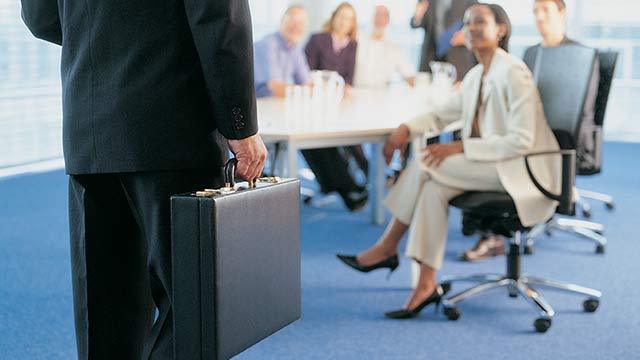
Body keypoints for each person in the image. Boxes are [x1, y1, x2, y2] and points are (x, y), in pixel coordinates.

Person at [20, 0, 267, 358]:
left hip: (89, 126)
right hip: (173, 123)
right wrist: (240, 125)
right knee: (194, 307)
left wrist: (103, 41)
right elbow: (219, 17)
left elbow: (40, 17)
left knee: (104, 312)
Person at [337, 3, 561, 319]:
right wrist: (405, 129)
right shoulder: (475, 76)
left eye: (479, 22)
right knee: (433, 189)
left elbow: (521, 141)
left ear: (501, 29)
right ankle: (426, 283)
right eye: (466, 23)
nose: (470, 28)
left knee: (429, 162)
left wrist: (461, 147)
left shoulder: (513, 72)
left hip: (523, 169)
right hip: (493, 166)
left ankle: (387, 246)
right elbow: (443, 114)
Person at [461, 0, 600, 262]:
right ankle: (489, 232)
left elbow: (583, 114)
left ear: (562, 13)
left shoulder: (580, 55)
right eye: (535, 11)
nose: (539, 17)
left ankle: (492, 232)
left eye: (545, 10)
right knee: (480, 140)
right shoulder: (531, 53)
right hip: (525, 136)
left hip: (560, 145)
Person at [301, 2, 369, 212]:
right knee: (325, 139)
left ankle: (362, 178)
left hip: (340, 102)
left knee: (351, 129)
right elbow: (306, 73)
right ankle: (352, 184)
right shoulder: (317, 39)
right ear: (334, 17)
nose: (343, 21)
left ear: (352, 23)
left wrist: (343, 88)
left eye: (349, 18)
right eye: (341, 16)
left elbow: (350, 77)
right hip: (314, 102)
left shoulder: (353, 44)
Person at [253, 5, 311, 98]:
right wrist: (304, 92)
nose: (296, 26)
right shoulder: (267, 44)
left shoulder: (295, 48)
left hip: (277, 105)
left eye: (301, 23)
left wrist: (307, 90)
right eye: (292, 20)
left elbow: (308, 83)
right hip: (259, 105)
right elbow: (275, 89)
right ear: (282, 21)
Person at [411, 0, 478, 81]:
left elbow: (477, 21)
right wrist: (418, 16)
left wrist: (467, 35)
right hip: (432, 55)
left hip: (458, 56)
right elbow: (415, 24)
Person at [355, 5, 417, 88]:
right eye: (377, 15)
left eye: (384, 16)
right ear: (371, 18)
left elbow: (409, 74)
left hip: (382, 96)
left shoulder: (393, 48)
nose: (380, 19)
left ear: (388, 21)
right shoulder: (357, 41)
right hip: (357, 92)